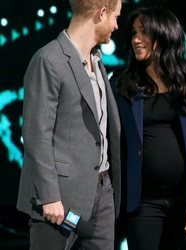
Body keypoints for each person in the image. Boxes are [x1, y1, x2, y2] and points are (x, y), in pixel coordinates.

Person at [110, 6, 186, 250]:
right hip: (143, 204)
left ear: (164, 34)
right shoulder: (122, 83)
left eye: (144, 32)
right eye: (134, 33)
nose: (136, 40)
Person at [17, 0, 122, 249]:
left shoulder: (97, 61)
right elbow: (36, 134)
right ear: (101, 13)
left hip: (102, 193)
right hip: (60, 200)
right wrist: (50, 196)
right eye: (116, 17)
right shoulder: (49, 60)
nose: (117, 26)